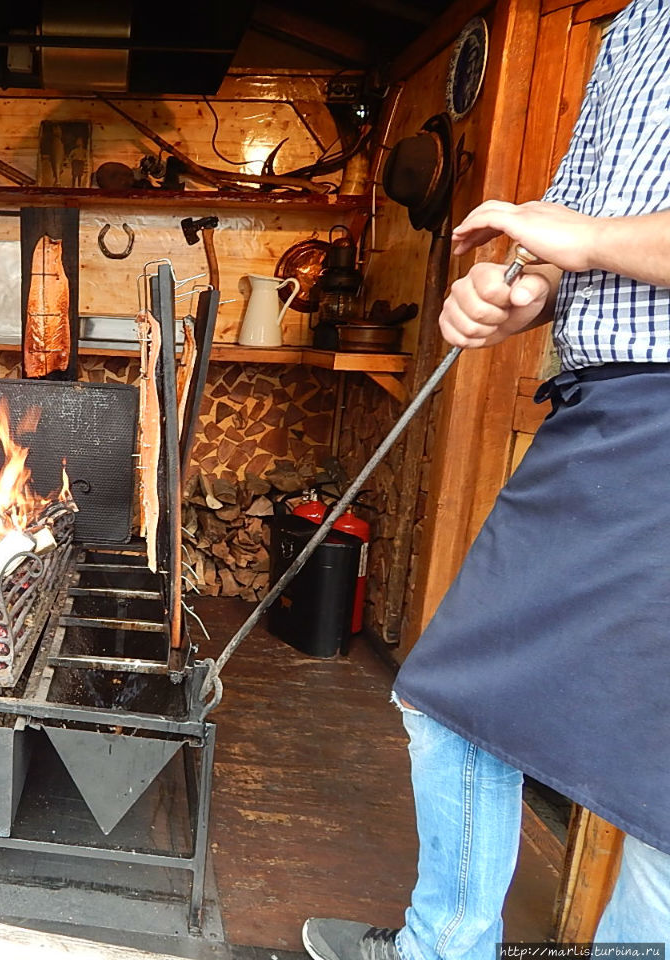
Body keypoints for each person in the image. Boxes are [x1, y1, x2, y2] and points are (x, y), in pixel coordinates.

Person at [302, 2, 670, 957]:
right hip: (603, 403)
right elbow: (570, 223)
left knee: (467, 700)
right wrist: (521, 290)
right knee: (463, 705)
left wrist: (582, 243)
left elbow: (587, 231)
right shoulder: (630, 26)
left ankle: (439, 949)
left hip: (654, 414)